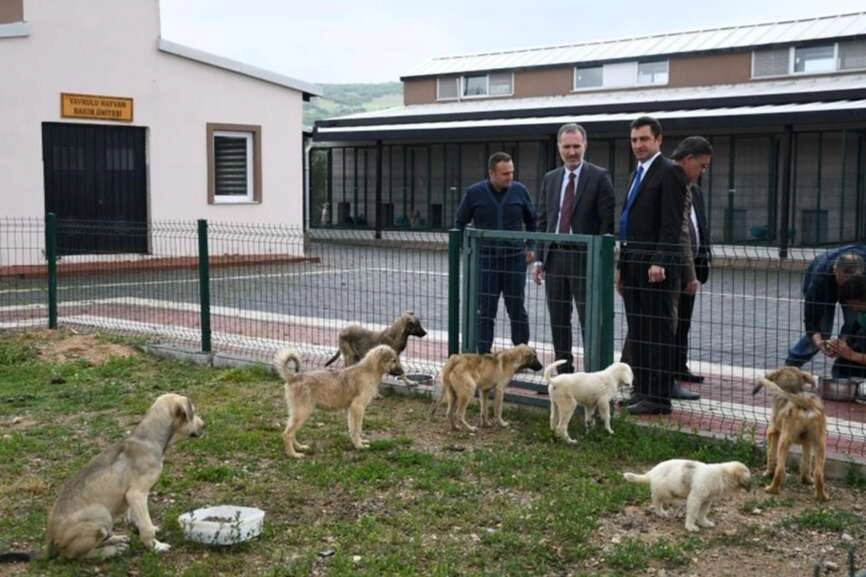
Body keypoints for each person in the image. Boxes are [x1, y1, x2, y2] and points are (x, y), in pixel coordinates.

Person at [616, 116, 688, 416]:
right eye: (634, 140)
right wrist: (622, 266)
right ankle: (642, 389)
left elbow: (671, 224)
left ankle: (658, 397)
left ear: (659, 140)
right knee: (639, 330)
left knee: (657, 331)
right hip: (633, 264)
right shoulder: (638, 173)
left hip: (654, 268)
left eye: (644, 139)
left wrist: (661, 260)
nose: (638, 145)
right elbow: (628, 222)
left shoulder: (670, 172)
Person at [532, 123, 615, 374]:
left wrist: (601, 262)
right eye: (566, 147)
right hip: (555, 256)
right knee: (558, 319)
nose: (571, 152)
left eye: (576, 146)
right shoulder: (551, 178)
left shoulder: (599, 177)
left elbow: (607, 223)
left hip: (585, 259)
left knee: (589, 320)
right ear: (559, 148)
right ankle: (564, 375)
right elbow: (544, 221)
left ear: (585, 146)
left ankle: (593, 375)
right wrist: (539, 259)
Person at [455, 152, 538, 354]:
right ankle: (483, 354)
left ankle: (522, 353)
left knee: (517, 308)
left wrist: (531, 246)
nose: (509, 177)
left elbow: (533, 221)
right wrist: (467, 249)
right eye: (504, 174)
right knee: (485, 310)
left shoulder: (520, 191)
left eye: (511, 172)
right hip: (485, 260)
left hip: (514, 260)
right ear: (491, 173)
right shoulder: (474, 193)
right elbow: (459, 223)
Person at [670, 136, 714, 398]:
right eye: (703, 165)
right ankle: (665, 372)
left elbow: (699, 225)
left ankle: (679, 365)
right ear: (688, 159)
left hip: (695, 262)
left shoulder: (695, 190)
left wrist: (704, 253)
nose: (704, 171)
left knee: (684, 319)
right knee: (671, 320)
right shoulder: (673, 185)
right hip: (676, 264)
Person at [785, 245, 866, 367]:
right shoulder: (819, 280)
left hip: (855, 290)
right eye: (843, 282)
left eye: (850, 283)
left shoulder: (860, 276)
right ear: (835, 270)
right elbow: (811, 320)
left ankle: (846, 365)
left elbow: (855, 322)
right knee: (822, 330)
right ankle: (792, 364)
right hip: (824, 284)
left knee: (854, 323)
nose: (844, 289)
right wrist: (819, 342)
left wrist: (842, 344)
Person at [827, 275, 866, 379]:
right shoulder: (862, 315)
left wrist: (852, 354)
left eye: (856, 304)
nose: (853, 308)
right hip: (847, 371)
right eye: (850, 304)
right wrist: (839, 346)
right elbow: (851, 338)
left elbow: (851, 353)